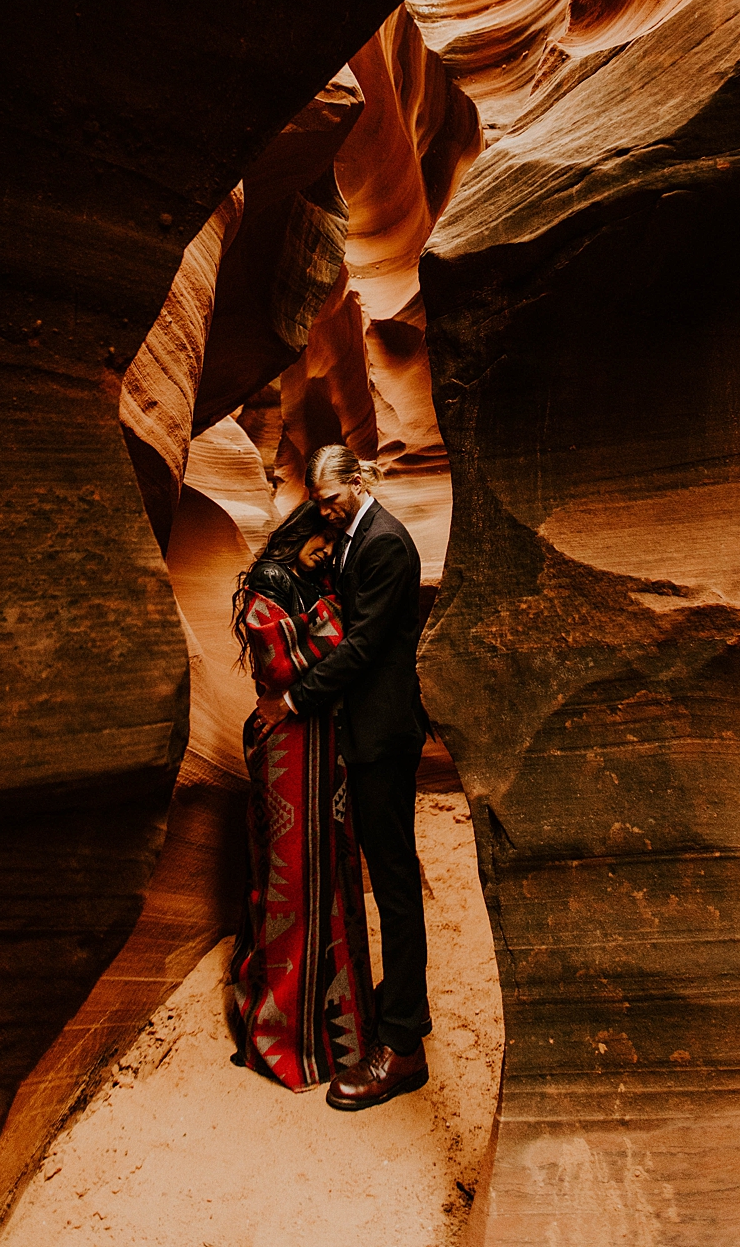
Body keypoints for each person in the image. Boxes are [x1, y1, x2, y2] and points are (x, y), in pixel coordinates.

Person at [255, 444, 431, 1111]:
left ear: (360, 480)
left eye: (333, 498)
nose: (326, 510)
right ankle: (403, 1009)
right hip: (370, 732)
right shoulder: (355, 537)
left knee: (394, 880)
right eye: (320, 501)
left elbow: (361, 644)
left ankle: (403, 1046)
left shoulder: (385, 543)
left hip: (383, 737)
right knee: (390, 875)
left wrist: (295, 699)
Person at [229, 501, 375, 1091]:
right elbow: (281, 659)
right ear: (299, 529)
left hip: (325, 749)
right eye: (321, 534)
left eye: (334, 536)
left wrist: (328, 624)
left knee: (331, 872)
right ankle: (284, 1034)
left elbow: (332, 648)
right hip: (288, 748)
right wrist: (335, 626)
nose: (326, 545)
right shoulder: (269, 578)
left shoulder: (319, 580)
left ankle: (337, 1034)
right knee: (290, 877)